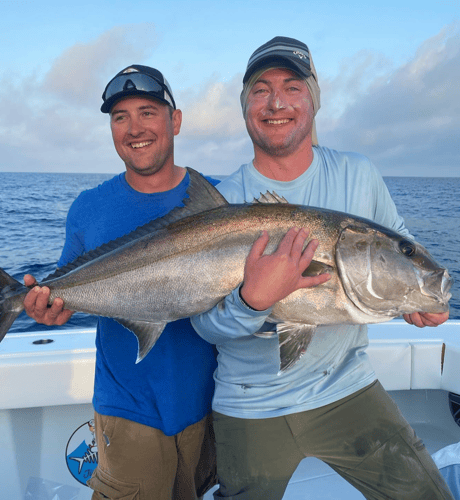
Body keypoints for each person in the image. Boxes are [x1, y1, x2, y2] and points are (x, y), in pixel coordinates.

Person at [191, 37, 453, 500]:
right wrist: (253, 300)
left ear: (313, 100)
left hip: (347, 389)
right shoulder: (223, 199)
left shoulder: (359, 173)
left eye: (292, 87)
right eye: (260, 89)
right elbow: (205, 327)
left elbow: (399, 246)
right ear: (245, 105)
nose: (276, 102)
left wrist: (411, 297)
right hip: (249, 400)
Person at [23, 64, 218, 500]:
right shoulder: (89, 207)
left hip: (211, 404)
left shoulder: (220, 199)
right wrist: (47, 308)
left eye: (148, 111)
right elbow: (66, 295)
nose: (134, 128)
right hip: (127, 409)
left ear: (176, 120)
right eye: (120, 117)